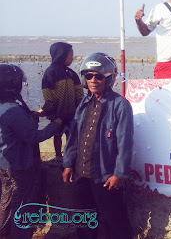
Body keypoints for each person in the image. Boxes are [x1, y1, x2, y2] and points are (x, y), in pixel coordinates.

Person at [62, 52, 133, 239]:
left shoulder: (120, 105)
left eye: (99, 76)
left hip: (105, 176)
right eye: (89, 76)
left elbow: (125, 143)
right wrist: (68, 163)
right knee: (84, 222)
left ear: (109, 79)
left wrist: (119, 174)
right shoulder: (84, 103)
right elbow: (74, 137)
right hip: (82, 174)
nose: (93, 80)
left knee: (114, 224)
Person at [0, 64, 61, 239]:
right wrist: (54, 125)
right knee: (21, 206)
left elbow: (16, 127)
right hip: (19, 167)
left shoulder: (7, 107)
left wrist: (35, 115)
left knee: (6, 204)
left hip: (5, 165)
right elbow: (33, 137)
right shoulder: (13, 110)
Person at [38, 42, 84, 162]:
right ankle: (58, 155)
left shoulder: (71, 73)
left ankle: (70, 155)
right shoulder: (50, 73)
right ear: (61, 55)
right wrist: (50, 110)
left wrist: (80, 107)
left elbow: (79, 92)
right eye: (70, 55)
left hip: (72, 112)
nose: (72, 58)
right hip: (57, 113)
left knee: (71, 134)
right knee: (57, 134)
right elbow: (48, 93)